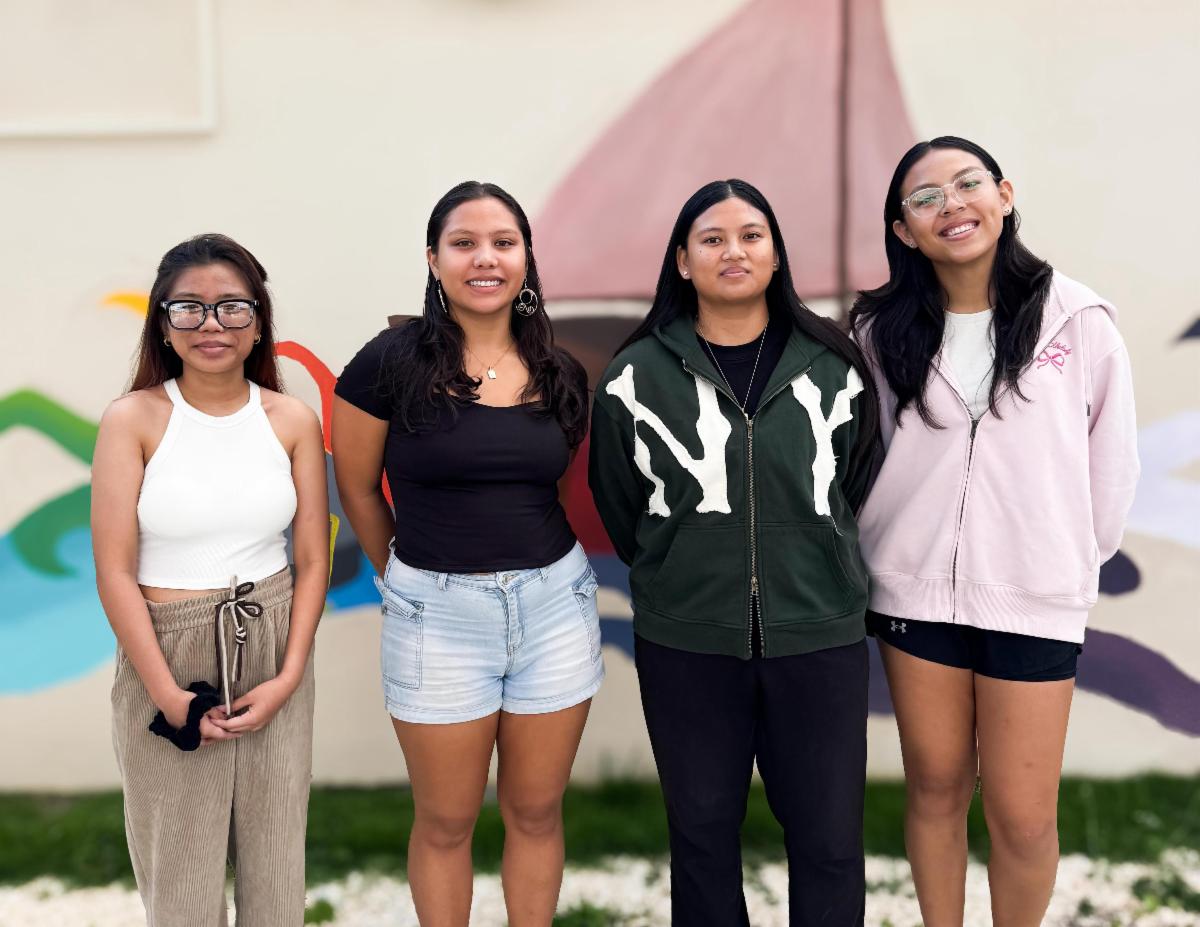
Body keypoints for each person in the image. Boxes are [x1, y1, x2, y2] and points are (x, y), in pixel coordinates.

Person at [850, 136, 1139, 927]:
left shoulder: (1079, 321)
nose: (951, 205)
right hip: (913, 595)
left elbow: (1112, 463)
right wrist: (887, 547)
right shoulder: (880, 332)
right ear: (905, 230)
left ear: (1004, 195)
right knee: (935, 788)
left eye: (967, 183)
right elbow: (865, 457)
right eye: (925, 197)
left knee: (1022, 814)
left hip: (1034, 596)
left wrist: (1064, 558)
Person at [588, 178, 882, 926]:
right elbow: (623, 504)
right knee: (701, 841)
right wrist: (684, 568)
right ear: (682, 261)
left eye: (751, 235)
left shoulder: (835, 366)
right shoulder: (634, 376)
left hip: (818, 635)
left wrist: (811, 559)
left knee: (829, 842)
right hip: (687, 641)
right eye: (712, 239)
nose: (734, 251)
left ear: (776, 254)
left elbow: (854, 484)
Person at [331, 181, 601, 926]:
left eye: (503, 243)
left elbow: (553, 488)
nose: (486, 258)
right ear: (434, 259)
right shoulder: (387, 363)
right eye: (464, 243)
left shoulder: (560, 369)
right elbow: (357, 489)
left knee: (536, 811)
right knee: (447, 821)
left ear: (525, 259)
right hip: (437, 617)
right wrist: (405, 578)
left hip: (554, 608)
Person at [92, 233, 328, 926]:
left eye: (231, 306)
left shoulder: (291, 419)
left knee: (275, 872)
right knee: (182, 882)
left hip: (272, 641)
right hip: (167, 651)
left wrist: (288, 676)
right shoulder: (132, 419)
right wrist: (168, 694)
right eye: (188, 308)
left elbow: (312, 558)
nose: (211, 324)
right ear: (163, 324)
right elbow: (114, 569)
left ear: (258, 320)